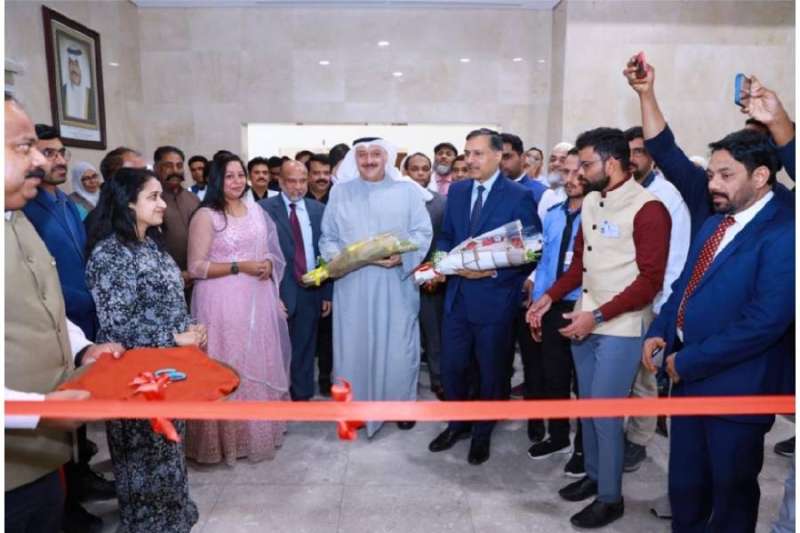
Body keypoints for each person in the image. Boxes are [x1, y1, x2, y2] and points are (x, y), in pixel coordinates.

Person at [641, 129, 794, 533]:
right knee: (686, 489)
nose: (713, 185)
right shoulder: (713, 224)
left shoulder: (785, 233)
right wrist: (661, 329)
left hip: (737, 391)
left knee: (730, 499)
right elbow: (684, 287)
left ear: (760, 176)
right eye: (710, 175)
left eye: (726, 175)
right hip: (686, 382)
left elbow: (765, 321)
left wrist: (688, 360)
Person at [528, 127, 670, 528]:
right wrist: (550, 296)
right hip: (585, 317)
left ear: (612, 162)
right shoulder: (591, 201)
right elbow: (580, 265)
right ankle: (594, 475)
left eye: (586, 165)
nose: (579, 173)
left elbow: (650, 281)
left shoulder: (649, 209)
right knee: (588, 408)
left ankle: (611, 498)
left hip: (620, 325)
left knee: (606, 415)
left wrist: (599, 316)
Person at [5, 92, 123, 533]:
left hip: (40, 459)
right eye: (24, 147)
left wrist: (84, 348)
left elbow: (45, 304)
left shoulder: (17, 219)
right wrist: (40, 410)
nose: (39, 160)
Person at [85, 166, 203, 533]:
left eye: (160, 196)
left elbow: (169, 299)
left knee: (168, 447)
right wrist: (174, 336)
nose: (162, 204)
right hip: (134, 374)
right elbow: (116, 326)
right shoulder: (109, 255)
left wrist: (189, 328)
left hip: (167, 369)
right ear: (128, 203)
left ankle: (175, 516)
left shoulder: (150, 243)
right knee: (142, 457)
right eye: (152, 197)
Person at [428, 128, 536, 465]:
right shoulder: (458, 191)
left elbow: (532, 249)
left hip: (494, 300)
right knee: (453, 367)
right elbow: (446, 236)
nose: (470, 160)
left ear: (497, 155)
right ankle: (457, 423)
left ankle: (482, 433)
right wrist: (439, 263)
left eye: (478, 153)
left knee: (491, 370)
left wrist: (491, 272)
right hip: (456, 297)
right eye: (467, 153)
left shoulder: (518, 195)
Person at [319, 138, 432, 437]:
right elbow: (328, 237)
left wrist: (402, 257)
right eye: (362, 155)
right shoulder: (340, 192)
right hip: (352, 284)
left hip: (395, 285)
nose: (369, 160)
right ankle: (353, 409)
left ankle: (400, 407)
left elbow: (422, 232)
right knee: (353, 347)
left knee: (399, 347)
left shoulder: (407, 191)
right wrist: (344, 260)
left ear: (387, 158)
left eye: (375, 154)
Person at [186, 153, 290, 463]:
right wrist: (240, 266)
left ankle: (256, 433)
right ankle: (225, 441)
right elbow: (196, 267)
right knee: (229, 362)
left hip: (257, 299)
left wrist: (268, 264)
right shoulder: (207, 216)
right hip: (221, 302)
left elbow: (270, 251)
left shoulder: (256, 211)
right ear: (217, 179)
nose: (236, 181)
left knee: (256, 361)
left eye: (240, 175)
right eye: (229, 176)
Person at [622, 125, 691, 472]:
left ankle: (638, 439)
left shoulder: (667, 195)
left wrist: (664, 309)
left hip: (652, 300)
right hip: (619, 297)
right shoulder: (620, 190)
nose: (633, 158)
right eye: (628, 152)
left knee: (643, 376)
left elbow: (677, 255)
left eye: (640, 152)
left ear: (653, 157)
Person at [526, 149, 585, 477]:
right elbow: (545, 263)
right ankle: (559, 436)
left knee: (584, 383)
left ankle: (584, 449)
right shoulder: (553, 214)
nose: (571, 179)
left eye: (578, 172)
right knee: (554, 375)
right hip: (550, 304)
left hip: (582, 304)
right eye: (566, 172)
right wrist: (537, 304)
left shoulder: (598, 214)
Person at [261, 160, 331, 400]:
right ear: (280, 181)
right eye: (292, 181)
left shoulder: (318, 210)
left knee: (305, 346)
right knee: (277, 349)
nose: (298, 187)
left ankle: (301, 397)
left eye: (302, 181)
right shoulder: (263, 209)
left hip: (311, 289)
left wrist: (327, 292)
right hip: (279, 290)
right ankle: (277, 395)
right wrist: (270, 292)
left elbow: (326, 252)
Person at [499, 132, 545, 435]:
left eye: (507, 156)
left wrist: (532, 280)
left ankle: (535, 420)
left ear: (521, 157)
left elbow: (542, 245)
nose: (502, 163)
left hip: (528, 290)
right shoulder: (489, 191)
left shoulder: (539, 193)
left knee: (533, 360)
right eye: (498, 156)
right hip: (496, 291)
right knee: (499, 355)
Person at [404, 152, 447, 399]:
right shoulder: (396, 201)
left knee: (434, 334)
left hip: (431, 278)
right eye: (415, 169)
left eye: (424, 168)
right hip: (399, 276)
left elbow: (445, 239)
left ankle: (438, 379)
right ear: (406, 172)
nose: (420, 173)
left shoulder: (440, 202)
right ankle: (402, 383)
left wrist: (434, 269)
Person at [153, 145, 200, 297]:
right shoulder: (151, 201)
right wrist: (176, 274)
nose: (175, 171)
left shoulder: (193, 199)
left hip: (197, 280)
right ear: (156, 168)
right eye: (168, 166)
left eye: (179, 166)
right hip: (164, 284)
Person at [537, 141, 573, 222]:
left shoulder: (575, 196)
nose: (556, 164)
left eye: (562, 160)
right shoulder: (546, 194)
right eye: (553, 160)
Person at [61, 46, 95, 123]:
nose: (73, 67)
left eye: (76, 63)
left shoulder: (91, 95)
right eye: (70, 63)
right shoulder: (62, 92)